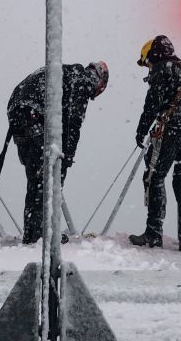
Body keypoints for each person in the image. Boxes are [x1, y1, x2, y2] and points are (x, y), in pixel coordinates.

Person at [7, 61, 109, 244]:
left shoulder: (66, 73)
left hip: (17, 111)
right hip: (34, 113)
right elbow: (73, 122)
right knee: (50, 176)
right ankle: (42, 233)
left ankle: (32, 231)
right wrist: (68, 155)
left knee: (35, 176)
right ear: (98, 81)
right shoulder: (82, 80)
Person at [129, 35, 181, 252]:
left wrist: (141, 130)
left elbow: (152, 103)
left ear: (153, 55)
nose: (149, 67)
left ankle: (154, 234)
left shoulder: (163, 69)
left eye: (148, 63)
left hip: (172, 128)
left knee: (155, 176)